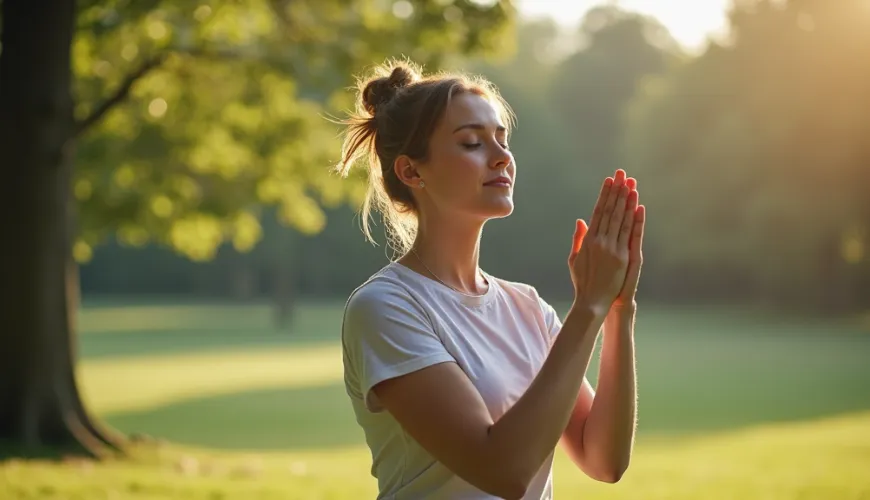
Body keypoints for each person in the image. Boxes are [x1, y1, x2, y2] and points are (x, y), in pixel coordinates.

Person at [335, 59, 645, 500]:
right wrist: (588, 307)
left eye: (502, 139)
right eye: (471, 143)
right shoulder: (386, 307)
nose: (501, 156)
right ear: (410, 172)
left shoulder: (528, 309)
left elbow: (604, 461)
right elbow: (504, 471)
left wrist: (618, 308)